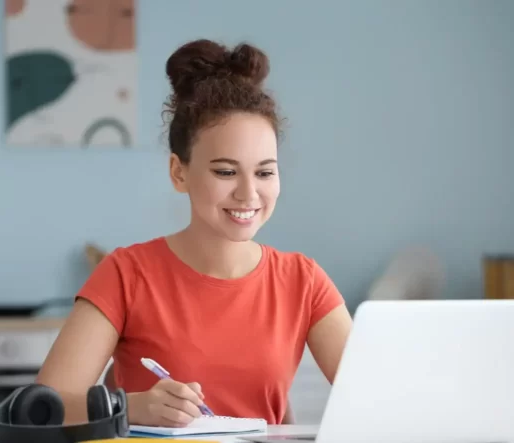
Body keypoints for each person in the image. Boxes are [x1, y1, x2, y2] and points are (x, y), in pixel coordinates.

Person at [35, 38, 353, 428]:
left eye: (265, 172)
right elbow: (43, 409)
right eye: (225, 171)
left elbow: (380, 399)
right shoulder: (126, 274)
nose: (248, 193)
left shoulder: (304, 282)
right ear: (178, 172)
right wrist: (128, 408)